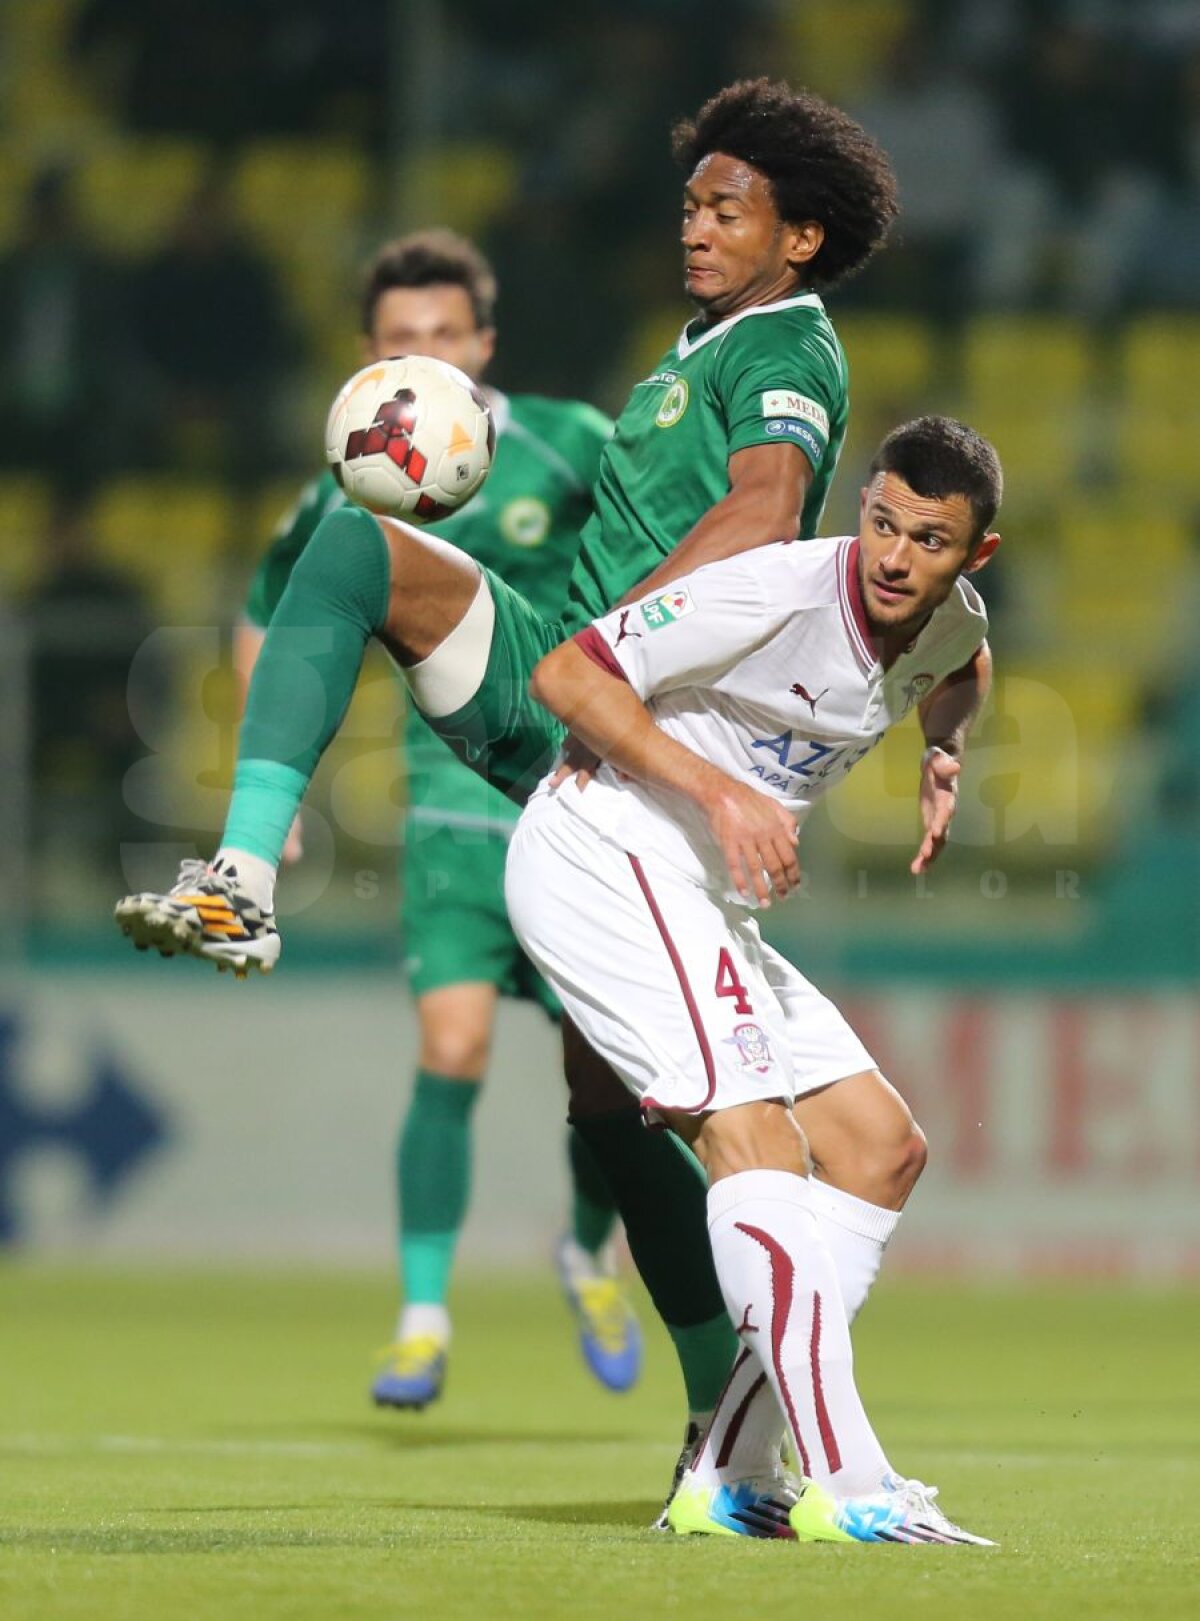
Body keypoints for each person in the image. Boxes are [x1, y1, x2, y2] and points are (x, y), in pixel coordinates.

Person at [115, 79, 902, 1511]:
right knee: (352, 551)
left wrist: (618, 651)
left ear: (801, 235)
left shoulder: (787, 344)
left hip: (642, 714)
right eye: (690, 204)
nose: (697, 226)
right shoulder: (700, 345)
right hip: (577, 685)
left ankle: (727, 1426)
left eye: (729, 208)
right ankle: (241, 875)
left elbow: (767, 511)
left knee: (626, 1104)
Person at [506, 417, 1002, 1543]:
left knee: (880, 1148)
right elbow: (564, 673)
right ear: (863, 505)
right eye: (882, 522)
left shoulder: (957, 619)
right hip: (605, 856)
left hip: (700, 896)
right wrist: (722, 794)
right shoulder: (772, 590)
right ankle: (852, 1484)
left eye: (928, 540)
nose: (893, 557)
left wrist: (944, 747)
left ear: (976, 553)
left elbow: (961, 664)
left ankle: (726, 1477)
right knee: (757, 1142)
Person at [235, 231, 640, 1407]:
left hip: (573, 804)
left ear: (485, 344)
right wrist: (274, 789)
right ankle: (420, 1319)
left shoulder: (568, 443)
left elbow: (660, 549)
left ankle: (587, 1248)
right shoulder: (344, 480)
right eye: (401, 340)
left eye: (446, 335)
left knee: (613, 1078)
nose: (427, 355)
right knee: (451, 1047)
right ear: (368, 355)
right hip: (451, 820)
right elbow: (265, 615)